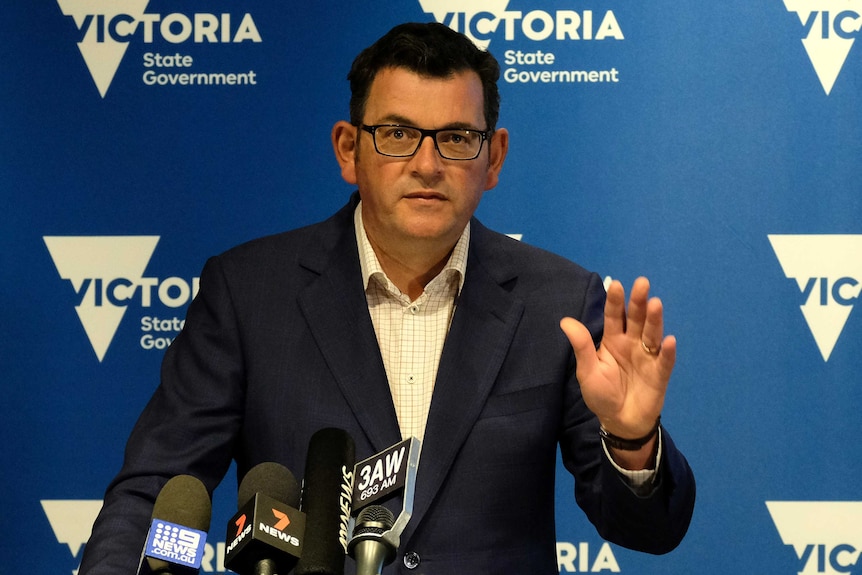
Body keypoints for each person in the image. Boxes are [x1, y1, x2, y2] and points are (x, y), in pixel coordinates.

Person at [79, 21, 695, 574]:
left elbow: (647, 530)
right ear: (350, 149)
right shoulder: (247, 294)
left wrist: (632, 442)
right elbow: (162, 491)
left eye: (455, 138)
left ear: (494, 158)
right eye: (398, 133)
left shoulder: (559, 303)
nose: (427, 164)